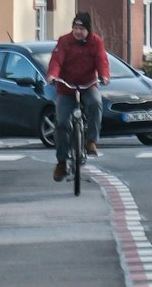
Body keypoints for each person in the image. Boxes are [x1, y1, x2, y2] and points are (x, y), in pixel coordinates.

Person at [46, 11, 109, 181]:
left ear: (88, 30)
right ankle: (61, 162)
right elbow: (56, 61)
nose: (78, 31)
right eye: (75, 28)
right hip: (67, 87)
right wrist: (52, 75)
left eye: (81, 28)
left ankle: (91, 141)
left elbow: (101, 60)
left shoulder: (96, 42)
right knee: (61, 123)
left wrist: (104, 76)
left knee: (96, 103)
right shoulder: (64, 41)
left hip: (88, 85)